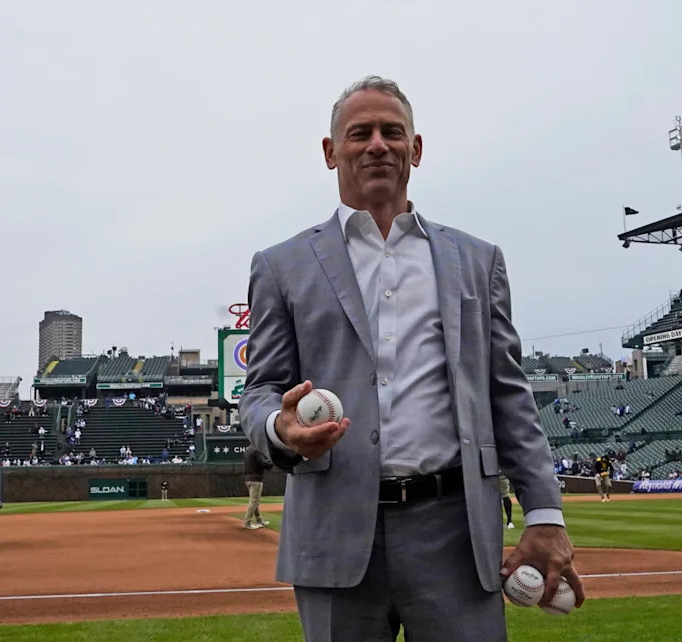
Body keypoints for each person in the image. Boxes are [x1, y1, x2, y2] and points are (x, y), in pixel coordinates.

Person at [239, 75, 583, 641]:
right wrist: (279, 426)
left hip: (454, 532)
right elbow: (259, 391)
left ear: (415, 148)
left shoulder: (477, 259)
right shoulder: (281, 266)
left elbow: (508, 396)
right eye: (359, 133)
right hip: (334, 530)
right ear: (331, 152)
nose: (377, 144)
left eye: (391, 132)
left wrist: (544, 514)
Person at [242, 444, 273, 530]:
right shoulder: (256, 450)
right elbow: (263, 463)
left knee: (255, 501)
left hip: (248, 479)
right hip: (256, 479)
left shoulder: (248, 449)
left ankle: (259, 520)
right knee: (254, 502)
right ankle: (247, 523)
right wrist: (272, 462)